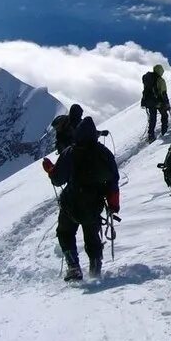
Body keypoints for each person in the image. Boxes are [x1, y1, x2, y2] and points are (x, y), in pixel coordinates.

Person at [42, 116, 120, 281]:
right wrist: (113, 204)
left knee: (65, 232)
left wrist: (50, 169)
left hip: (71, 202)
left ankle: (73, 267)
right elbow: (113, 179)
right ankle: (95, 269)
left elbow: (57, 179)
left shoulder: (70, 152)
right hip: (94, 203)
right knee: (92, 237)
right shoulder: (103, 153)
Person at [141, 64, 171, 142]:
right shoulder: (160, 80)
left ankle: (151, 135)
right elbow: (163, 93)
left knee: (152, 118)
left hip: (149, 102)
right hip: (158, 102)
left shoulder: (148, 78)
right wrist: (167, 103)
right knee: (164, 115)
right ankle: (164, 131)